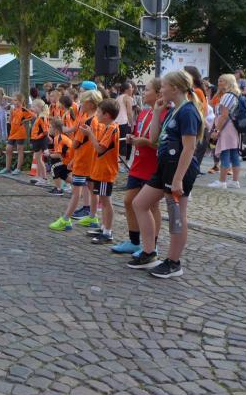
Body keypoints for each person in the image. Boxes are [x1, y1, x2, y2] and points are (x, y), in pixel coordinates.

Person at [128, 70, 203, 278]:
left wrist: (178, 179)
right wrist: (156, 111)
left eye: (163, 86)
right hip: (164, 167)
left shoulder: (188, 111)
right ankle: (149, 253)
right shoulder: (173, 110)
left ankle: (174, 262)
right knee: (139, 203)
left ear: (175, 88)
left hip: (179, 170)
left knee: (177, 216)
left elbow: (189, 148)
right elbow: (154, 138)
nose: (161, 90)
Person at [111, 78, 166, 255]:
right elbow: (139, 133)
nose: (143, 92)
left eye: (147, 89)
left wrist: (146, 142)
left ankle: (152, 245)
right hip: (138, 164)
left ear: (158, 93)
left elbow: (162, 144)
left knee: (152, 206)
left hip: (153, 166)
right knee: (128, 201)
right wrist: (132, 138)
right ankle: (134, 241)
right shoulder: (144, 112)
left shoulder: (165, 114)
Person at [48, 90, 102, 231]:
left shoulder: (86, 121)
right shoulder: (96, 119)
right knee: (92, 189)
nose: (79, 104)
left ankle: (66, 220)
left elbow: (77, 143)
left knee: (76, 191)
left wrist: (72, 158)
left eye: (83, 102)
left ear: (90, 104)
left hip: (82, 160)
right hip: (90, 160)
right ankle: (93, 217)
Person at [82, 98, 121, 244]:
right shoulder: (107, 127)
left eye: (99, 112)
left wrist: (90, 134)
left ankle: (107, 232)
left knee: (105, 201)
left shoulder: (112, 129)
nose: (96, 114)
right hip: (101, 170)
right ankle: (104, 227)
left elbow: (100, 149)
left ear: (107, 115)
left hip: (106, 171)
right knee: (104, 201)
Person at [208, 74, 242, 189]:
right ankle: (235, 181)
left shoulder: (227, 96)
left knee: (225, 153)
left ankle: (222, 182)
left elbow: (224, 115)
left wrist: (216, 130)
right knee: (234, 154)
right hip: (232, 127)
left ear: (228, 82)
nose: (219, 83)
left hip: (226, 127)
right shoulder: (235, 94)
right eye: (219, 80)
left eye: (221, 81)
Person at [0, 93, 33, 174]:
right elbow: (10, 120)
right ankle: (7, 168)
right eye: (14, 100)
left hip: (20, 132)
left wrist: (24, 120)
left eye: (15, 100)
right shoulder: (13, 109)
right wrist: (10, 117)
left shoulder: (23, 109)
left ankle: (18, 169)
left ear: (20, 101)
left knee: (19, 150)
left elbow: (32, 115)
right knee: (8, 149)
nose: (14, 102)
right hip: (12, 132)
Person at [46, 118, 72, 196]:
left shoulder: (58, 138)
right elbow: (60, 152)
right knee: (62, 174)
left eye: (50, 127)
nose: (49, 129)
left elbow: (58, 155)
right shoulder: (60, 136)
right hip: (69, 159)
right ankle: (79, 184)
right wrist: (51, 152)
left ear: (56, 129)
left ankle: (58, 189)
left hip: (69, 160)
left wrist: (48, 154)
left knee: (54, 167)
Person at [28, 99, 50, 186]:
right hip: (37, 140)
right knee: (38, 159)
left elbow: (45, 131)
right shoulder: (39, 116)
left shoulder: (42, 117)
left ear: (39, 107)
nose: (32, 109)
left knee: (39, 160)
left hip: (39, 140)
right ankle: (40, 177)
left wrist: (40, 138)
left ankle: (44, 178)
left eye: (34, 107)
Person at [115, 81, 135, 161]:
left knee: (119, 143)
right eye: (131, 88)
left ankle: (119, 161)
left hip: (116, 123)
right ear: (127, 90)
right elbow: (129, 113)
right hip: (124, 123)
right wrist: (132, 125)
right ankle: (124, 163)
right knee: (126, 144)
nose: (132, 89)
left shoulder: (118, 98)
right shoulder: (127, 97)